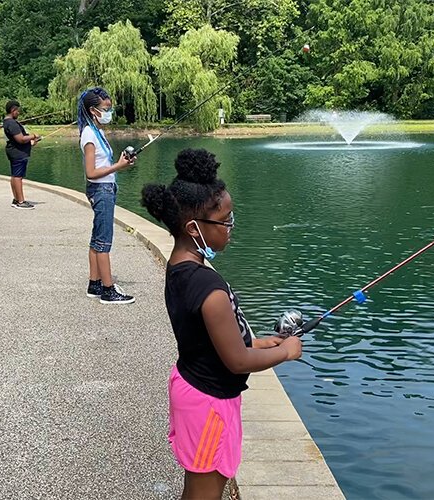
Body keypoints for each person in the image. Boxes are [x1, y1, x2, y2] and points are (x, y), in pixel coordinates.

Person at [140, 148, 303, 500]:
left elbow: (210, 339)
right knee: (206, 491)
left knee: (201, 485)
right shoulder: (208, 288)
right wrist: (287, 351)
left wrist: (260, 343)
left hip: (196, 385)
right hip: (209, 401)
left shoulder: (181, 268)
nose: (231, 227)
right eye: (225, 221)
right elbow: (238, 362)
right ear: (194, 228)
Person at [78, 87, 136, 304]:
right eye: (106, 109)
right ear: (94, 110)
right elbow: (91, 173)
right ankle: (108, 291)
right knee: (103, 242)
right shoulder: (89, 135)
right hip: (100, 190)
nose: (109, 112)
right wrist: (118, 167)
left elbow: (103, 164)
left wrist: (120, 161)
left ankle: (94, 284)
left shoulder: (98, 131)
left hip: (106, 188)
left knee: (96, 239)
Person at [3, 100, 41, 209]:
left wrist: (32, 143)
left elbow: (18, 140)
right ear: (12, 110)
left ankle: (16, 199)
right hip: (18, 154)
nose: (18, 113)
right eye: (17, 111)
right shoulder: (12, 123)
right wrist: (33, 136)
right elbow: (21, 139)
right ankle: (20, 201)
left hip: (14, 151)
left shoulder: (7, 122)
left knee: (14, 175)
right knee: (18, 177)